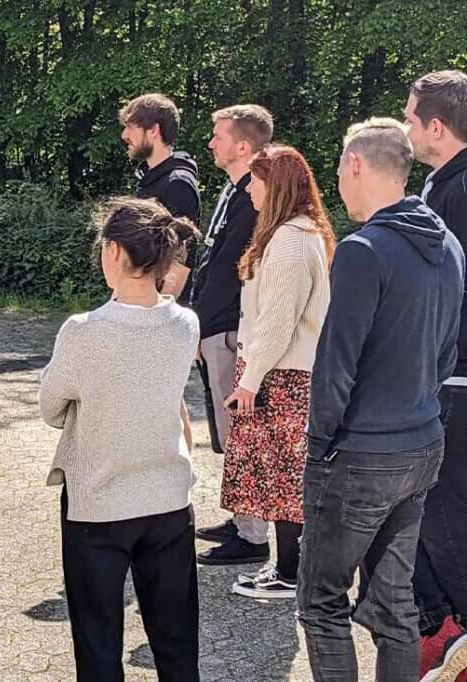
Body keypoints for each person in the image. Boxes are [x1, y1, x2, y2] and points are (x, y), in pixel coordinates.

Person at [298, 118, 465, 682]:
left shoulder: (363, 250)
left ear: (354, 165)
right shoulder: (448, 245)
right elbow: (446, 356)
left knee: (322, 604)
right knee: (395, 606)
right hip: (421, 443)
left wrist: (319, 446)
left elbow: (334, 368)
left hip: (361, 455)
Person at [40, 197, 201, 681]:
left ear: (112, 252)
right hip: (167, 497)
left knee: (99, 647)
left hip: (99, 502)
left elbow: (51, 408)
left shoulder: (84, 331)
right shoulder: (184, 324)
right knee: (176, 645)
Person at [210, 145, 334, 598]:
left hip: (280, 377)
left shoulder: (290, 240)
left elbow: (277, 322)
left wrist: (249, 380)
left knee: (282, 479)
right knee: (280, 478)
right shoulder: (297, 233)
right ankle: (286, 569)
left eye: (257, 181)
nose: (251, 190)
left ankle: (288, 574)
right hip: (279, 373)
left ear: (276, 184)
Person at [404, 69, 467, 682]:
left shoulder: (462, 190)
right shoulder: (441, 183)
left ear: (437, 127)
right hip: (441, 377)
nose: (405, 125)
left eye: (410, 115)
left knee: (447, 514)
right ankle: (443, 629)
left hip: (457, 382)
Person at [191, 104, 274, 561]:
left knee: (241, 430)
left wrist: (198, 325)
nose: (211, 143)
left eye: (218, 136)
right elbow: (209, 260)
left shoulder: (254, 198)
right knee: (227, 430)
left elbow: (227, 271)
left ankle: (253, 538)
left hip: (228, 327)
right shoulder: (231, 191)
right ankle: (242, 516)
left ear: (243, 146)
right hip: (214, 325)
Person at [119, 93, 201, 303]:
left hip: (158, 313)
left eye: (130, 127)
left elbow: (181, 260)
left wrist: (157, 312)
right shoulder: (148, 178)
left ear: (153, 131)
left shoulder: (177, 183)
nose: (124, 135)